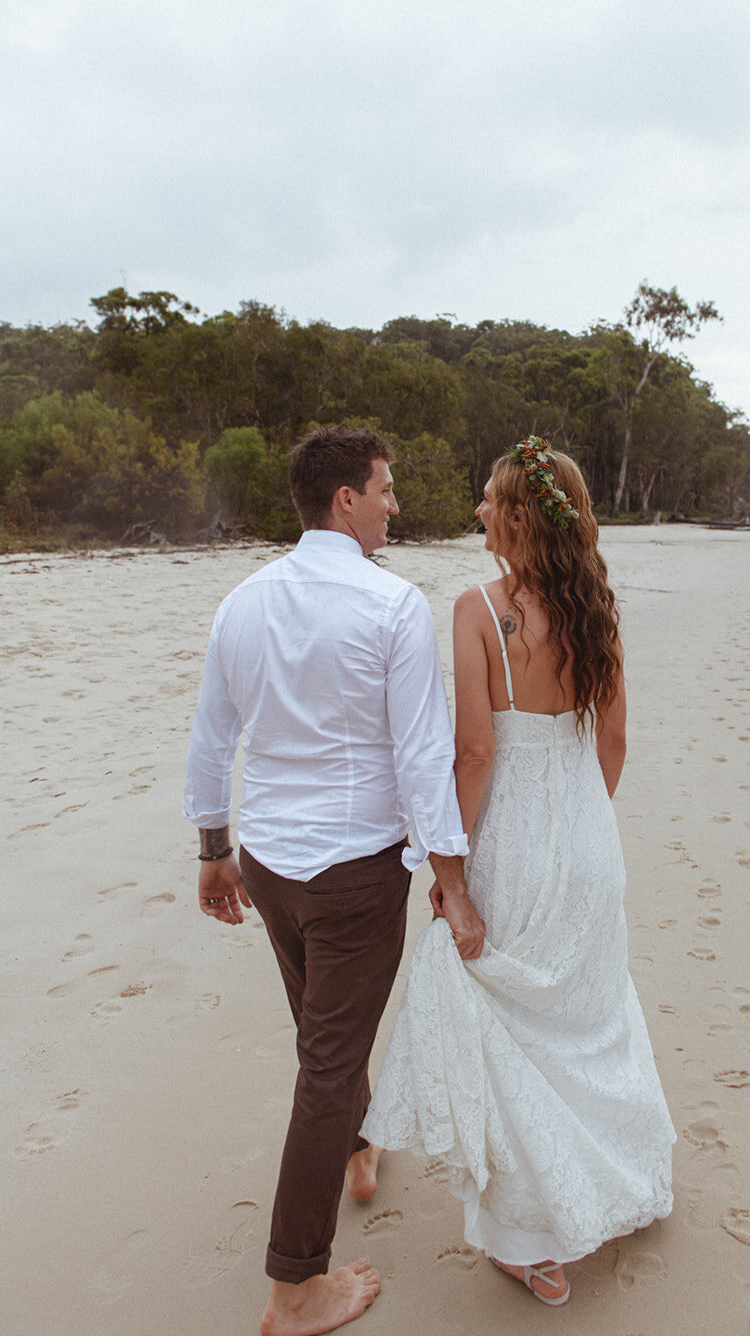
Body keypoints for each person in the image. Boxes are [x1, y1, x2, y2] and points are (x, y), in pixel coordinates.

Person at [183, 425, 484, 1336]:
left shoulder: (243, 600)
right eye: (386, 489)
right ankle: (293, 1285)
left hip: (271, 864)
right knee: (327, 1060)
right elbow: (424, 756)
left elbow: (211, 737)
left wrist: (212, 848)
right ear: (344, 499)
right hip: (351, 875)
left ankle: (358, 1148)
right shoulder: (393, 607)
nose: (396, 504)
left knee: (325, 1035)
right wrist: (453, 878)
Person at [362, 436, 675, 1308]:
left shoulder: (476, 610)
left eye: (490, 500)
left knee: (517, 1037)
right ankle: (625, 1182)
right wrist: (583, 823)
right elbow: (612, 743)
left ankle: (534, 1243)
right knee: (592, 1016)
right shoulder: (597, 609)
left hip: (511, 839)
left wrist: (450, 871)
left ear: (520, 517)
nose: (477, 513)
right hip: (585, 838)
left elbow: (474, 752)